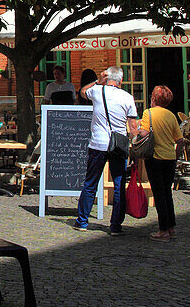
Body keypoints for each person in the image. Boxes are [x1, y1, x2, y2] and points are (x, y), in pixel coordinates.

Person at [73, 67, 140, 235]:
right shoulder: (127, 97)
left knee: (90, 183)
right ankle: (115, 226)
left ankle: (82, 221)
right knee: (119, 185)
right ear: (121, 81)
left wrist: (98, 80)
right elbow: (133, 128)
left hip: (98, 144)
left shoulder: (97, 90)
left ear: (106, 78)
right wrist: (133, 147)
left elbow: (82, 92)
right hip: (118, 145)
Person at [138, 85, 182, 241]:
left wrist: (137, 132)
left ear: (154, 98)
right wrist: (176, 156)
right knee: (167, 193)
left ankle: (163, 230)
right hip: (169, 158)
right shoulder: (171, 115)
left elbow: (143, 133)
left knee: (159, 194)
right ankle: (171, 227)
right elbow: (180, 140)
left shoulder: (148, 113)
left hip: (155, 157)